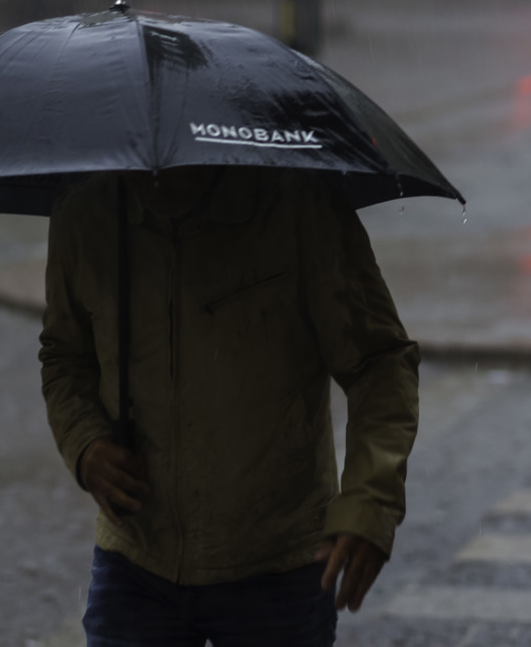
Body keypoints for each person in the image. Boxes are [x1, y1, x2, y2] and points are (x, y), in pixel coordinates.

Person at [38, 165, 419, 647]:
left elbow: (379, 362)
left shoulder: (299, 207)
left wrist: (371, 500)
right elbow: (65, 354)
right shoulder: (85, 212)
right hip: (136, 561)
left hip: (277, 565)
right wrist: (84, 443)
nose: (160, 180)